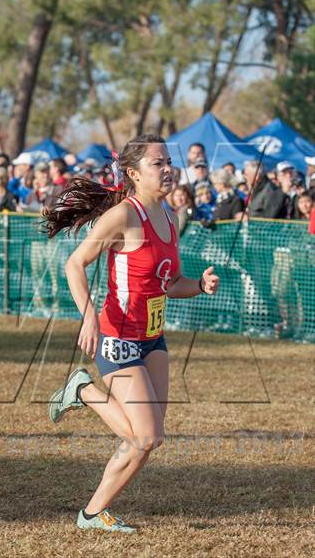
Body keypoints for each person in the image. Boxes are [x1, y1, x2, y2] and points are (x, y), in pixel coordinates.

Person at [44, 134, 219, 533]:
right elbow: (75, 264)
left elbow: (169, 282)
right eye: (157, 163)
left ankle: (92, 514)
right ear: (133, 174)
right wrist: (88, 315)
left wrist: (198, 285)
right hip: (118, 337)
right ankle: (83, 391)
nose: (168, 168)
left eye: (168, 160)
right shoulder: (124, 215)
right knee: (146, 436)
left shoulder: (170, 217)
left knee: (146, 441)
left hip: (152, 338)